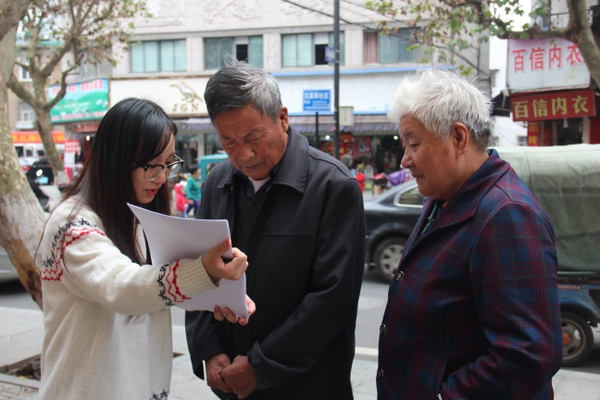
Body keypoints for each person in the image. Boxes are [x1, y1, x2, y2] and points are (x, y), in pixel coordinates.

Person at [36, 98, 254, 399]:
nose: (162, 177)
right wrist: (202, 271)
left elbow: (156, 287)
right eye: (151, 166)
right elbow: (120, 286)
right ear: (116, 159)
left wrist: (222, 291)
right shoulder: (72, 225)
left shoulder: (136, 217)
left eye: (168, 164)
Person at [377, 70, 562, 399]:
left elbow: (529, 353)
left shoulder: (507, 214)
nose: (405, 160)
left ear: (459, 138)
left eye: (414, 144)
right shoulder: (443, 197)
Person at [185, 61, 366, 399]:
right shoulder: (218, 182)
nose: (244, 154)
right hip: (233, 385)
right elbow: (197, 273)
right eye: (228, 141)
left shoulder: (333, 186)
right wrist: (207, 349)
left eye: (253, 137)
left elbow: (332, 300)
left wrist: (260, 367)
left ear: (282, 118)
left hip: (309, 388)